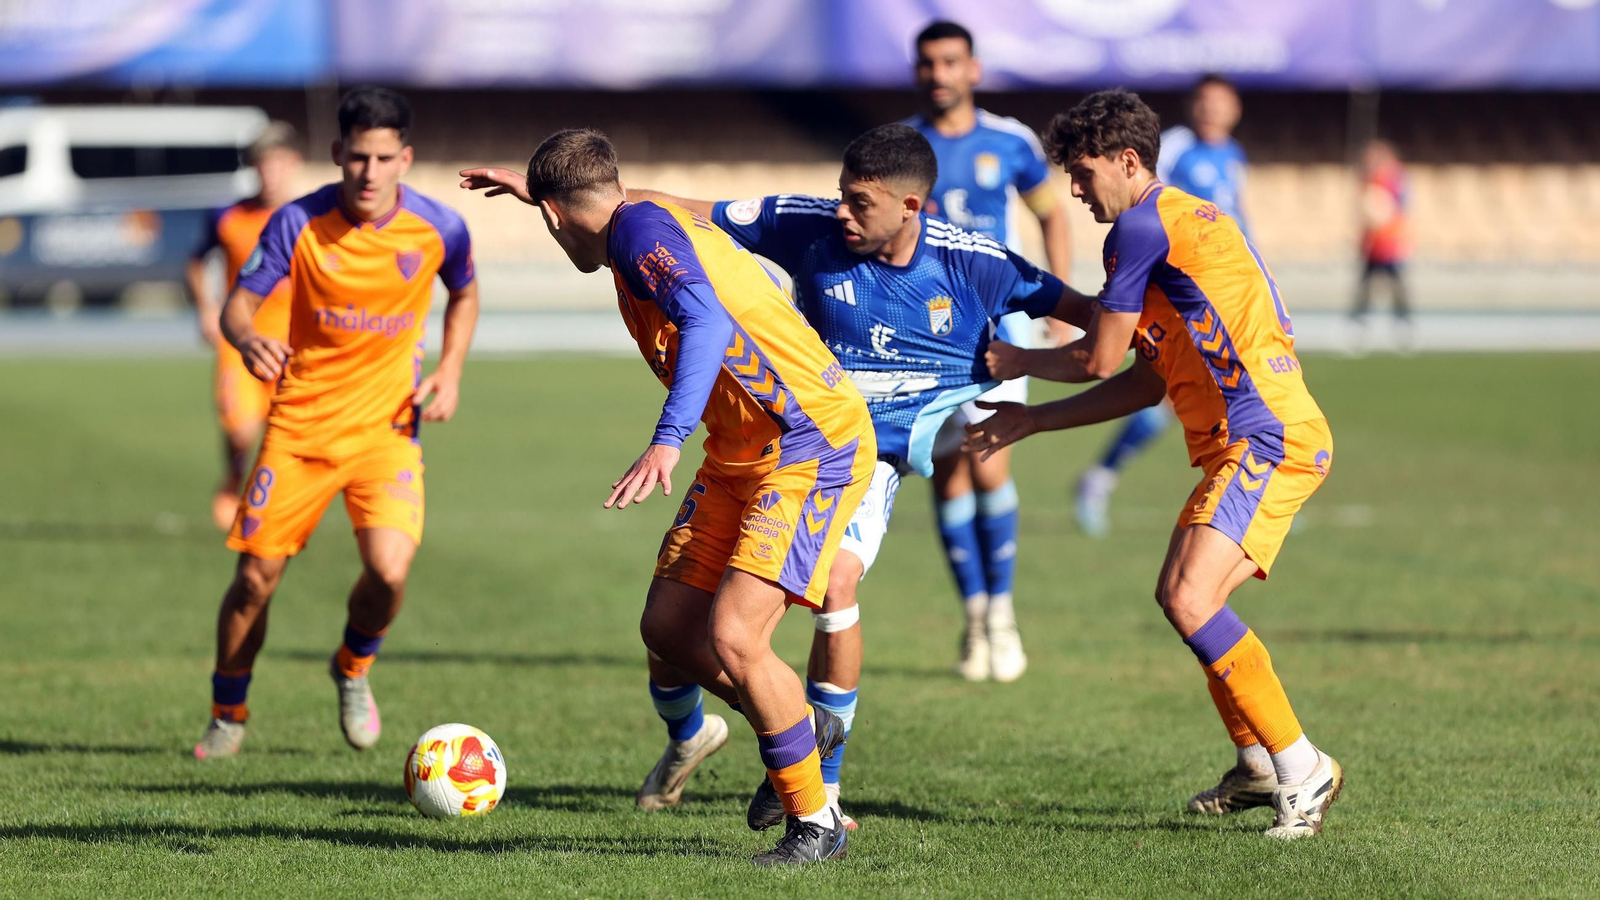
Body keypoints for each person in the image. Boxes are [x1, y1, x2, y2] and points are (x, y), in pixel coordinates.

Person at [616, 124, 1071, 830]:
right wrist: (581, 195)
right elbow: (687, 206)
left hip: (862, 458)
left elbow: (1102, 330)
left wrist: (1029, 367)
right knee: (672, 628)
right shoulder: (809, 227)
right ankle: (706, 734)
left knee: (835, 584)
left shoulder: (976, 264)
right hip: (771, 445)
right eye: (840, 197)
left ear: (912, 207)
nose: (843, 215)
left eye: (861, 203)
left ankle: (821, 783)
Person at [460, 129, 874, 866]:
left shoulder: (639, 236)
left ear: (555, 218)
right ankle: (801, 727)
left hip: (810, 443)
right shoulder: (635, 213)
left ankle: (814, 826)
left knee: (738, 639)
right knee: (671, 628)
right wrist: (541, 193)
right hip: (743, 446)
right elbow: (628, 201)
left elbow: (706, 318)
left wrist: (667, 438)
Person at [965, 90, 1344, 839]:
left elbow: (1100, 355)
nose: (1074, 189)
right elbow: (1145, 376)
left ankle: (1303, 767)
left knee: (1189, 597)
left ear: (1127, 161)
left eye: (1082, 172)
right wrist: (1034, 418)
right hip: (1268, 434)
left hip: (1264, 438)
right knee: (1184, 597)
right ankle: (1257, 762)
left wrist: (1014, 359)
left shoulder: (1138, 229)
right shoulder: (1181, 222)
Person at [193, 87, 480, 761]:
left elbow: (463, 291)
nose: (370, 173)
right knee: (256, 579)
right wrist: (245, 338)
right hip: (299, 430)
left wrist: (452, 369)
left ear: (405, 157)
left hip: (387, 432)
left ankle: (352, 667)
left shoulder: (440, 226)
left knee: (388, 572)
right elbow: (240, 305)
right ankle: (227, 710)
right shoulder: (297, 221)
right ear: (336, 155)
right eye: (357, 157)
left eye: (384, 158)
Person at [902, 20, 1073, 682]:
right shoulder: (903, 146)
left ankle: (1002, 614)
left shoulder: (1009, 141)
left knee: (991, 463)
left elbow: (1052, 213)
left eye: (950, 62)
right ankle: (974, 616)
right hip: (924, 331)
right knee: (946, 473)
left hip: (997, 326)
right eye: (928, 63)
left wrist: (1057, 307)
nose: (939, 73)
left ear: (973, 68)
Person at [1075, 74, 1252, 539]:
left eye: (1222, 103)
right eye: (1205, 102)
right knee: (1162, 392)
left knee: (1195, 398)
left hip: (1222, 293)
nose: (1212, 111)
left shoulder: (1233, 155)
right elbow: (1148, 212)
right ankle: (1101, 478)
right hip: (1180, 293)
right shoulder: (1174, 149)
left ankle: (1240, 492)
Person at [186, 122, 303, 531]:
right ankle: (233, 478)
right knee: (240, 430)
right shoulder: (229, 215)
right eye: (262, 164)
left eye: (277, 163)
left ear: (293, 165)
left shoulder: (308, 216)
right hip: (240, 338)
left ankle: (270, 501)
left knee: (283, 431)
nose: (270, 173)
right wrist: (205, 308)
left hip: (295, 343)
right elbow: (196, 262)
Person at [1351, 138, 1412, 351]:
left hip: (1390, 243)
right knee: (1365, 287)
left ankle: (1402, 323)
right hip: (1373, 245)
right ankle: (1359, 323)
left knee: (1397, 286)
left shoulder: (1394, 178)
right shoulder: (1368, 180)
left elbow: (1396, 209)